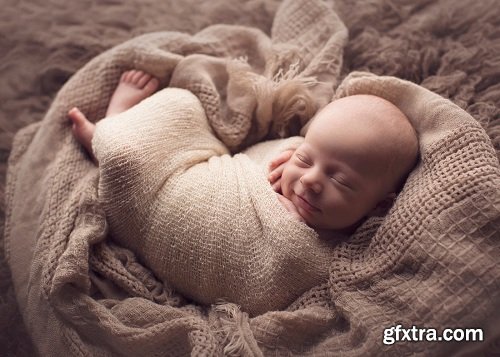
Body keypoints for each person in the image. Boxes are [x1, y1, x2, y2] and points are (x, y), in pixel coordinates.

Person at [68, 70, 418, 239]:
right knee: (181, 110)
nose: (310, 181)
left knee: (129, 164)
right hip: (205, 179)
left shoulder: (346, 247)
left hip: (174, 220)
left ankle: (109, 136)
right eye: (306, 159)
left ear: (378, 205)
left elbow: (282, 282)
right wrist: (290, 152)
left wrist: (291, 228)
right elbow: (256, 158)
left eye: (340, 180)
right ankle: (114, 128)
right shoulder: (291, 162)